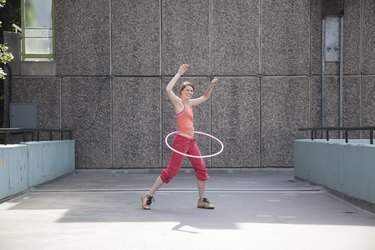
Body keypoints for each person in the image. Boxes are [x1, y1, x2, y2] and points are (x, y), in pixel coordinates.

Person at [141, 64, 218, 210]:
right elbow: (168, 89)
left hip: (191, 142)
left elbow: (205, 97)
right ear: (181, 92)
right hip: (181, 141)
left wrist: (211, 85)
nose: (190, 92)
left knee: (201, 168)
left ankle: (202, 200)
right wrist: (178, 74)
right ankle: (148, 195)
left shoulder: (190, 104)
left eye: (191, 91)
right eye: (187, 90)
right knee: (172, 171)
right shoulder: (178, 103)